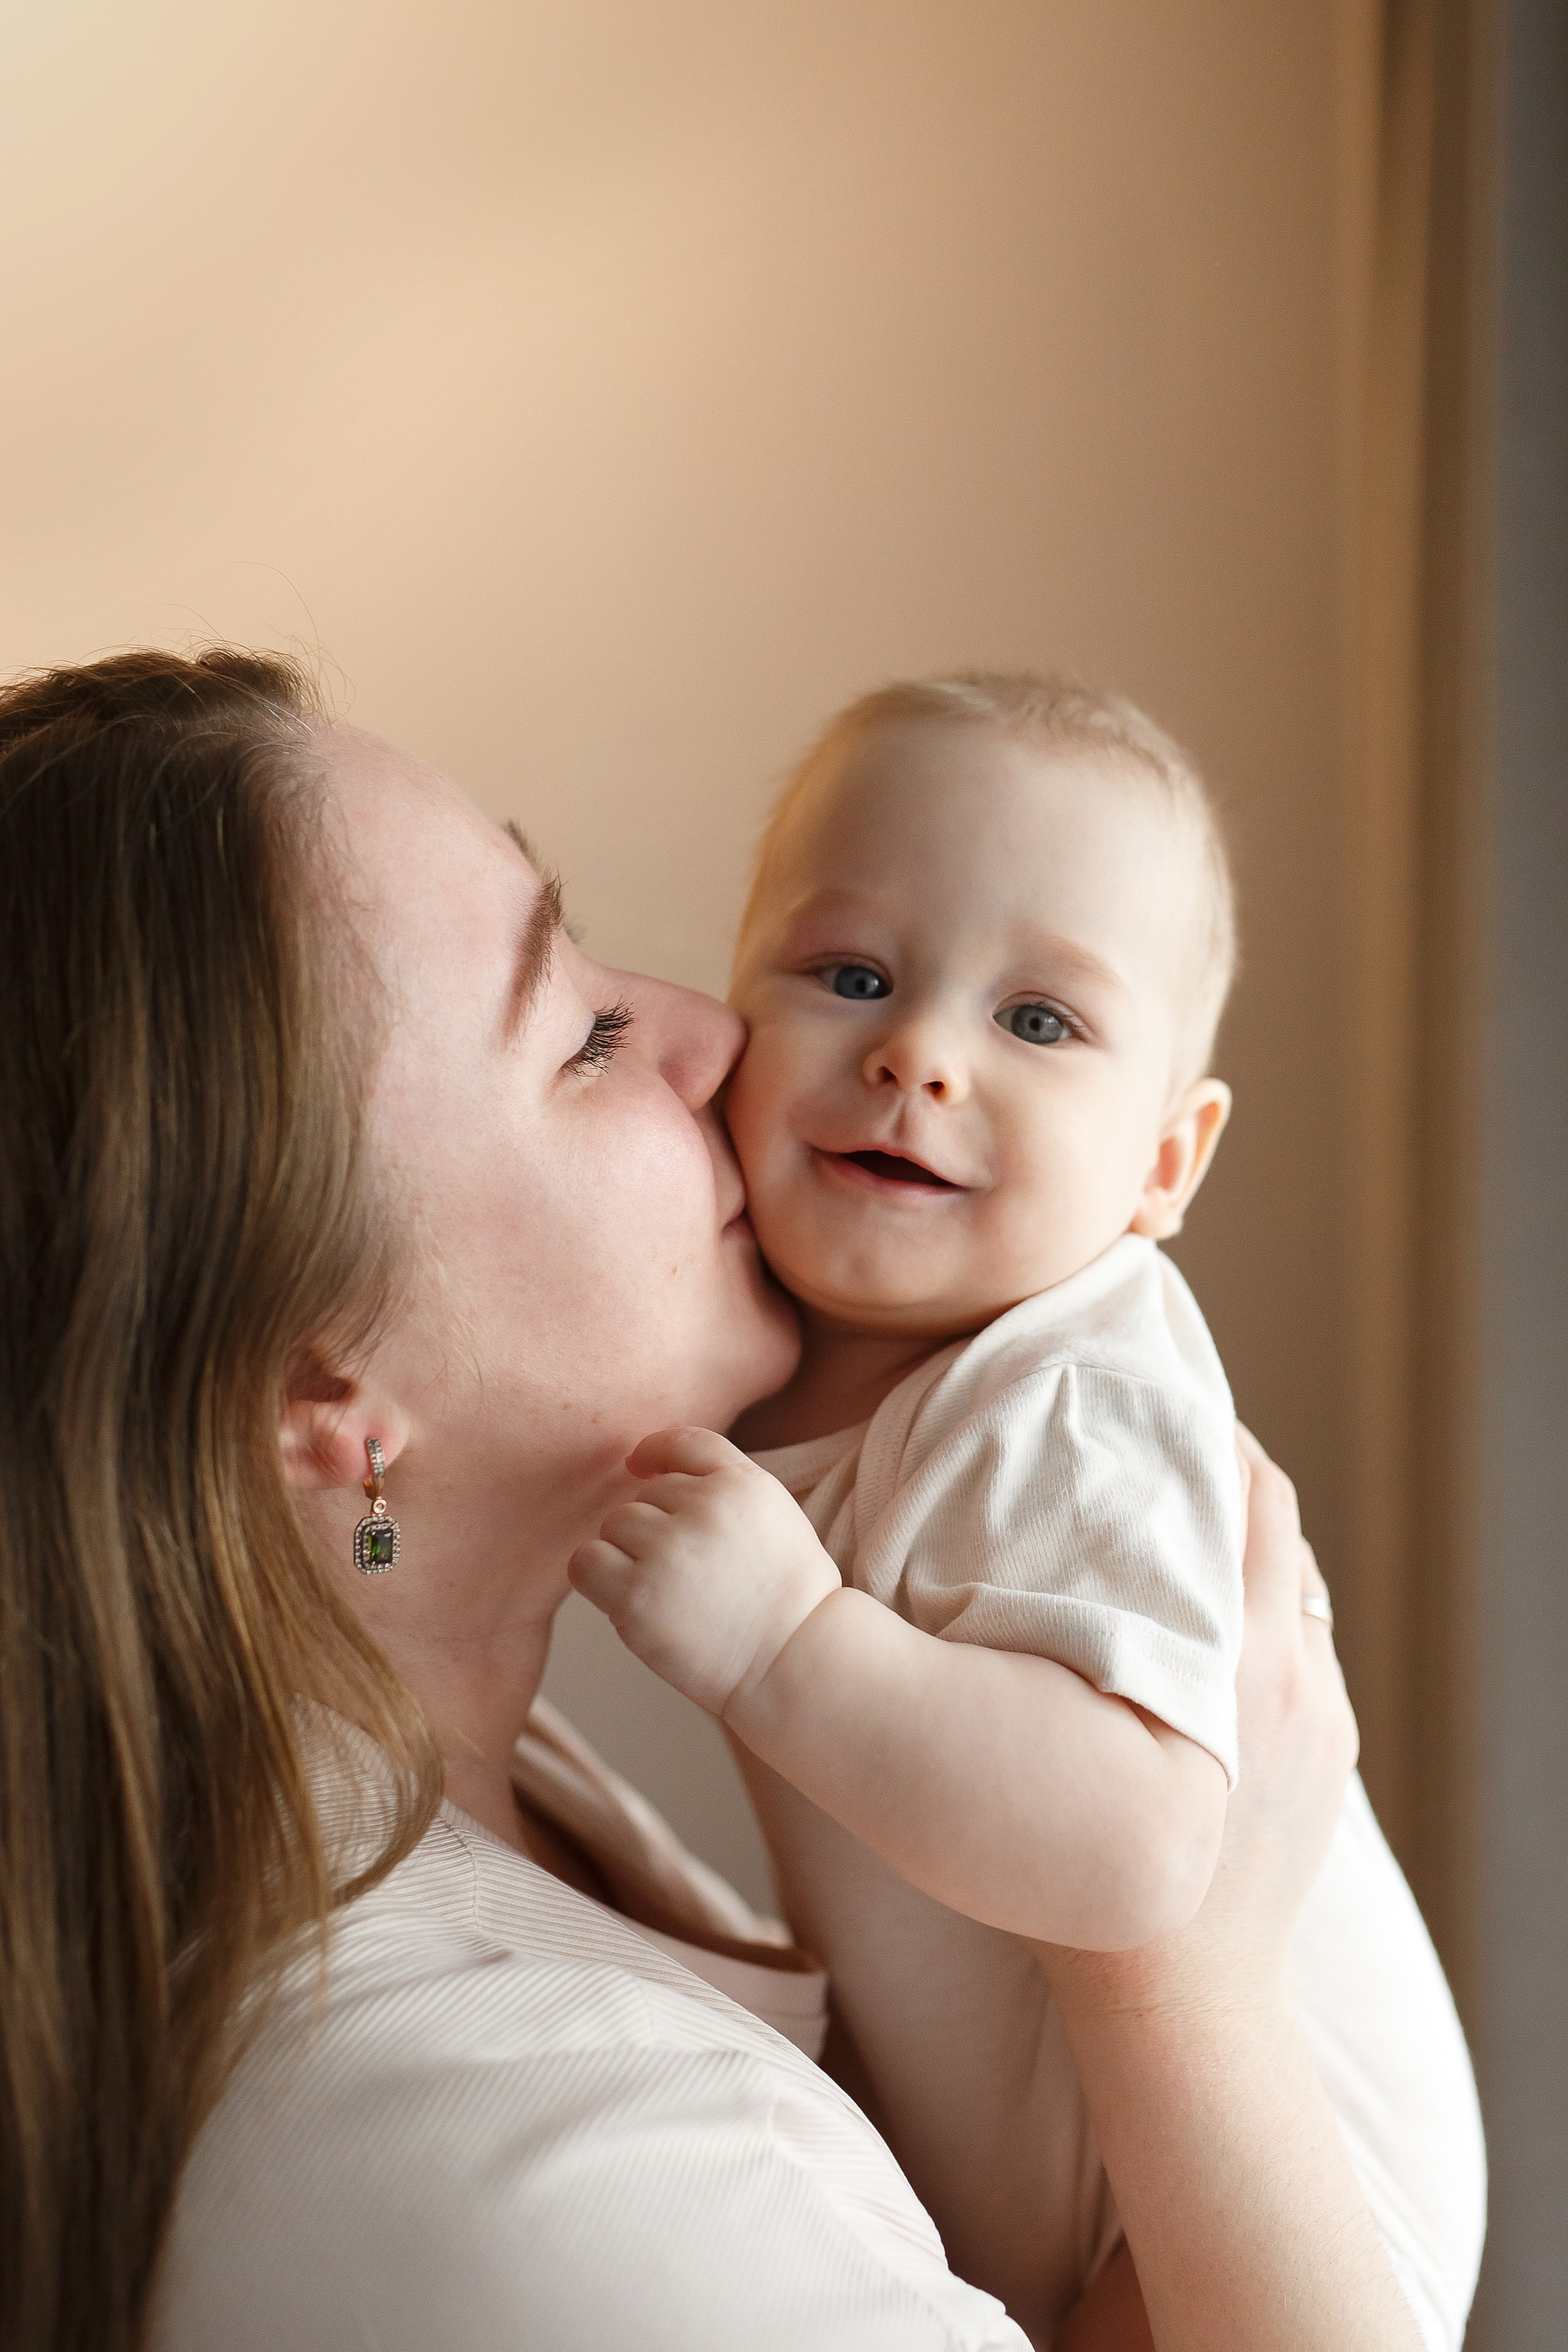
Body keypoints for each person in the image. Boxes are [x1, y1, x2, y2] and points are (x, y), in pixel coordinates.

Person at [0, 647, 1431, 2352]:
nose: (708, 1034)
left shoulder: (483, 1776)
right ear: (330, 1400)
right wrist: (1193, 1971)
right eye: (582, 1036)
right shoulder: (556, 2172)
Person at [568, 673, 1485, 2348]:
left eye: (1041, 1022)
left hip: (1289, 2176)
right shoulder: (780, 1345)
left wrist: (786, 1645)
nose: (918, 1054)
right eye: (853, 976)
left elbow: (1142, 1855)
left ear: (1163, 1165)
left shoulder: (1065, 1392)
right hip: (1068, 2156)